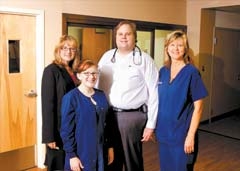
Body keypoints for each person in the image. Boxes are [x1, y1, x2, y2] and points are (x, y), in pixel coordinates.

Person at [97, 20, 159, 171]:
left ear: (134, 36)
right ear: (115, 36)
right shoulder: (107, 57)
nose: (123, 37)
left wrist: (151, 124)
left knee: (132, 160)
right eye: (120, 34)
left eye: (128, 34)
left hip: (131, 117)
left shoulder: (145, 60)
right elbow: (97, 84)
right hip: (109, 115)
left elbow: (154, 93)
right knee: (111, 159)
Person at [155, 30, 208, 171]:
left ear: (185, 49)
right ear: (166, 48)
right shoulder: (163, 71)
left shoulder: (192, 73)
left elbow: (199, 108)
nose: (175, 49)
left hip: (181, 135)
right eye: (172, 45)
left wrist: (190, 136)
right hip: (164, 133)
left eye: (180, 45)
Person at [60, 59, 113, 171]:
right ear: (79, 76)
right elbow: (66, 130)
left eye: (94, 73)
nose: (91, 76)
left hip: (100, 150)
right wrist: (72, 156)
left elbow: (108, 125)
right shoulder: (71, 98)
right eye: (86, 73)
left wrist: (110, 147)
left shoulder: (101, 95)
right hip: (81, 152)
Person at [41, 35, 80, 171]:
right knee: (58, 164)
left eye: (72, 49)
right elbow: (47, 105)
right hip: (58, 128)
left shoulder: (75, 71)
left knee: (72, 163)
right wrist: (49, 136)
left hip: (74, 125)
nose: (68, 51)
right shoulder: (51, 70)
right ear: (58, 50)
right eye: (64, 48)